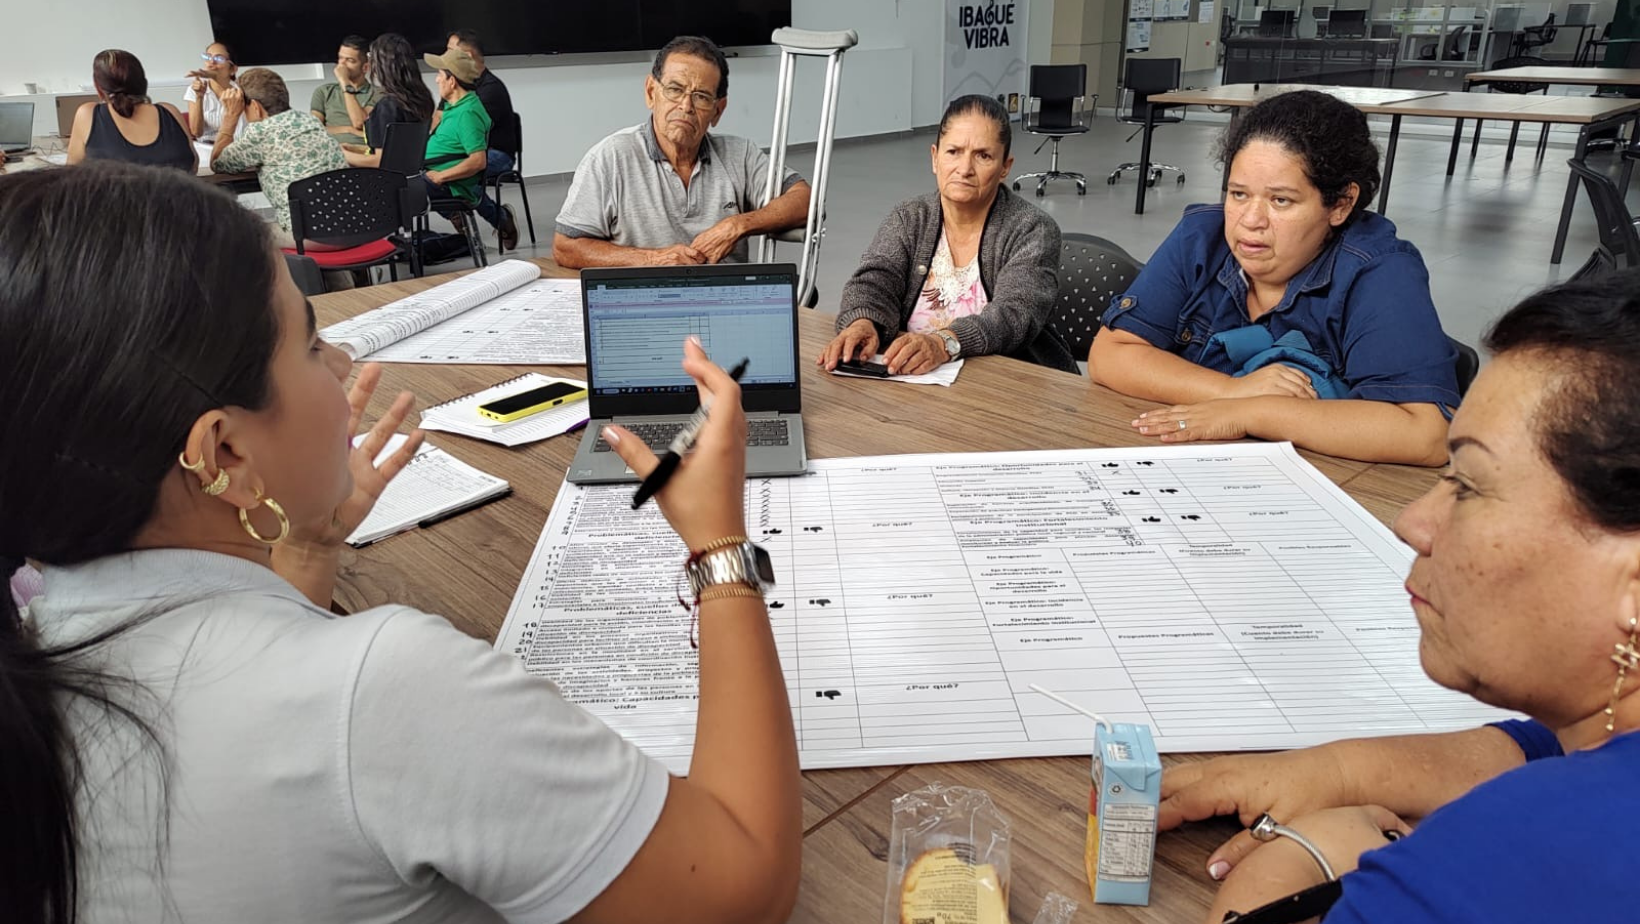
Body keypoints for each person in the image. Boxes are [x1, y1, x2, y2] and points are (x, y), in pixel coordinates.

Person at [0, 161, 800, 924]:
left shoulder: (35, 656)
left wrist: (305, 552)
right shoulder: (385, 690)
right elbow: (744, 889)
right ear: (225, 457)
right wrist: (717, 543)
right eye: (311, 343)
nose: (345, 360)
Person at [1157, 271, 1640, 924]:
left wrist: (1300, 858)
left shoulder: (1514, 855)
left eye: (1467, 486)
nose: (1412, 521)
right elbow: (1574, 744)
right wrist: (1347, 770)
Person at [1087, 90, 1458, 466]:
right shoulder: (1201, 237)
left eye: (1281, 201)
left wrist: (1252, 412)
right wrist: (1232, 391)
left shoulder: (1379, 270)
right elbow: (1110, 356)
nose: (1251, 220)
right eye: (1238, 194)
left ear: (1341, 204)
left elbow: (1425, 434)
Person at [818, 95, 1078, 375]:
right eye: (953, 151)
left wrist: (945, 343)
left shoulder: (1031, 228)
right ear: (935, 158)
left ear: (1005, 167)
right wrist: (864, 321)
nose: (964, 169)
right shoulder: (910, 217)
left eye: (983, 155)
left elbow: (1016, 315)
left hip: (1010, 386)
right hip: (916, 386)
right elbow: (874, 281)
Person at [554, 35, 811, 268]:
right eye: (675, 90)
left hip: (726, 300)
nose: (686, 106)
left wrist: (738, 225)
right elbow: (566, 246)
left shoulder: (739, 154)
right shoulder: (610, 157)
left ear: (717, 111)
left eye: (701, 96)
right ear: (651, 92)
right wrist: (652, 259)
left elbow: (805, 201)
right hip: (646, 302)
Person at [210, 69, 347, 250]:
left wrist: (230, 116)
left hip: (311, 235)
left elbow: (218, 162)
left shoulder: (261, 132)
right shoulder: (310, 121)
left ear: (256, 107)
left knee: (245, 232)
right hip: (355, 227)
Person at [418, 47, 512, 245]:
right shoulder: (454, 107)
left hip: (448, 185)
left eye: (439, 75)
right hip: (434, 176)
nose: (436, 80)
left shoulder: (468, 113)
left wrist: (441, 175)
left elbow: (478, 161)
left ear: (452, 81)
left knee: (394, 189)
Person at [446, 29, 520, 251]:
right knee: (430, 176)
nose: (445, 57)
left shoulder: (491, 89)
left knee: (462, 175)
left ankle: (501, 218)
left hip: (497, 153)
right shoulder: (458, 86)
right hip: (468, 152)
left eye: (450, 52)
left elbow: (468, 131)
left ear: (467, 57)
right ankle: (458, 217)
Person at [66, 49, 195, 172]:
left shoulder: (88, 114)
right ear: (143, 82)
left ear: (98, 87)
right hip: (178, 194)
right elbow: (193, 165)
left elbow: (71, 175)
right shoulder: (170, 112)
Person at [340, 32, 435, 170]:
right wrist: (355, 149)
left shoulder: (388, 106)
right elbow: (399, 151)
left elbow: (381, 161)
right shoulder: (422, 99)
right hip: (412, 181)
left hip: (385, 184)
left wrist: (342, 154)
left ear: (381, 65)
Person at [309, 35, 376, 147]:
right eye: (340, 58)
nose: (341, 65)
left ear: (365, 68)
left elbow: (360, 123)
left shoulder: (378, 93)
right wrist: (348, 129)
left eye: (350, 60)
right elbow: (314, 130)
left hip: (362, 153)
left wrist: (345, 82)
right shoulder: (324, 91)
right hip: (330, 151)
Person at [184, 41, 247, 142]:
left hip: (237, 148)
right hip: (207, 149)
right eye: (208, 57)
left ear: (233, 69)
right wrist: (199, 97)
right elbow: (196, 132)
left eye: (219, 58)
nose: (211, 62)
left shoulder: (243, 91)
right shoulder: (195, 88)